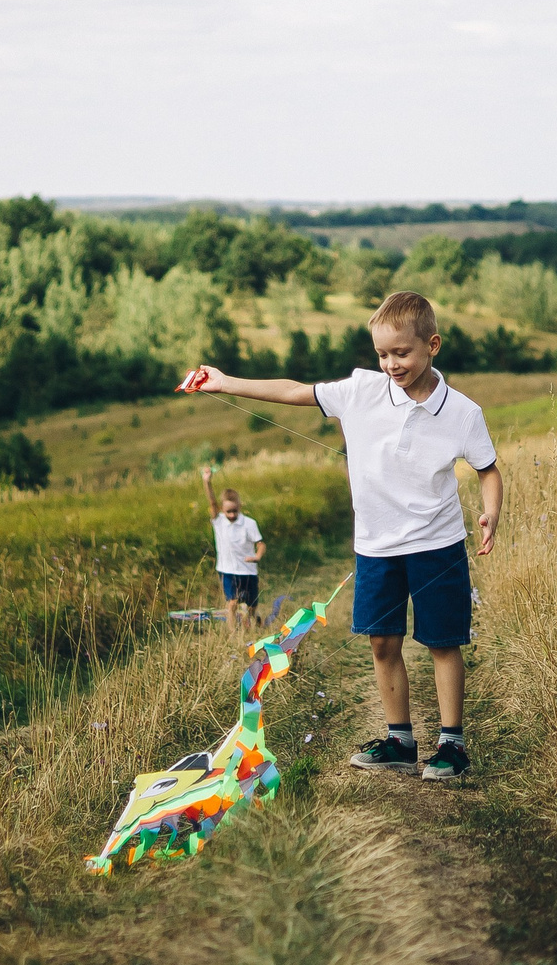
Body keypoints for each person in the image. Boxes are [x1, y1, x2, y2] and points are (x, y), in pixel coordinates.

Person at [184, 290, 501, 782]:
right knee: (381, 643)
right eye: (382, 354)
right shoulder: (361, 392)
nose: (391, 364)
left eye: (402, 353)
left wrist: (492, 511)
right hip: (376, 547)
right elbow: (293, 391)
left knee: (443, 641)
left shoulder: (463, 412)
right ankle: (399, 740)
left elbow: (488, 470)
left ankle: (451, 744)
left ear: (432, 345)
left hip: (437, 545)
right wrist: (225, 382)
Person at [201, 467, 265, 637]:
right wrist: (207, 482)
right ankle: (233, 634)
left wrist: (257, 556)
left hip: (248, 570)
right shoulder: (219, 521)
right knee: (232, 603)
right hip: (227, 569)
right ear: (222, 510)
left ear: (240, 507)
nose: (231, 514)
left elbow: (260, 544)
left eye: (234, 511)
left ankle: (254, 622)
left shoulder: (249, 523)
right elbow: (212, 502)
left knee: (251, 606)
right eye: (228, 511)